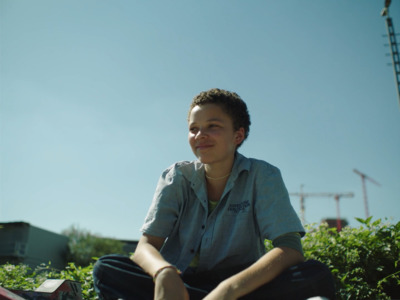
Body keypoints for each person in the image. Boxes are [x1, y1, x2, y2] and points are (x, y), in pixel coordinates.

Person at [93, 88, 335, 300]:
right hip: (180, 283)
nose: (200, 135)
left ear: (238, 136)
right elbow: (146, 246)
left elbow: (291, 249)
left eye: (213, 127)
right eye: (193, 128)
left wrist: (228, 290)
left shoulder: (263, 175)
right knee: (107, 267)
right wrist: (164, 273)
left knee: (316, 274)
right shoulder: (176, 176)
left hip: (241, 285)